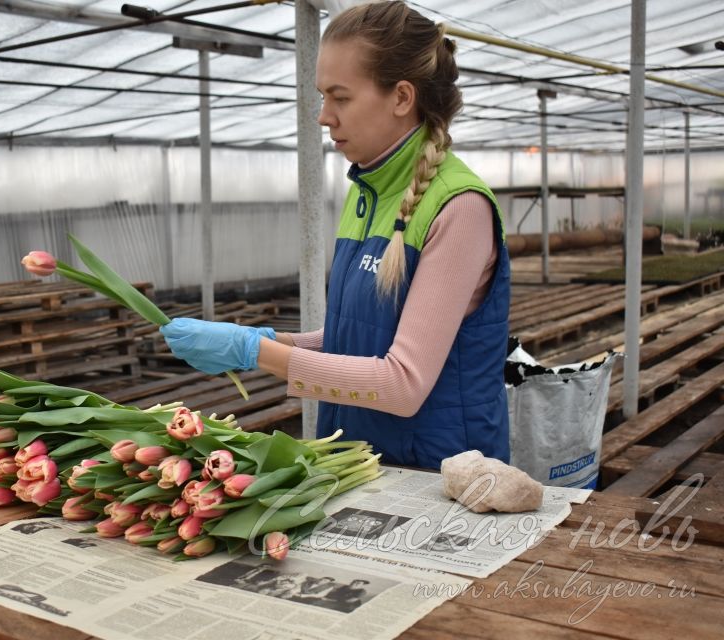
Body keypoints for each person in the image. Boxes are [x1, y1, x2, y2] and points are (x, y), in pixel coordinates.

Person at [160, 1, 510, 469]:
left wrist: (255, 354)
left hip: (438, 473)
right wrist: (267, 340)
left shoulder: (458, 207)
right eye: (322, 96)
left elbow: (402, 384)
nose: (324, 117)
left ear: (402, 97)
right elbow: (359, 336)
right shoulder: (369, 191)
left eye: (340, 98)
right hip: (364, 455)